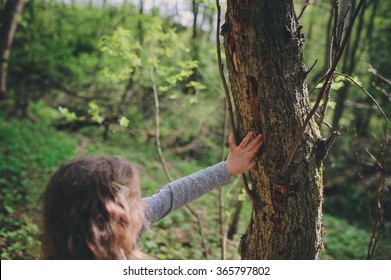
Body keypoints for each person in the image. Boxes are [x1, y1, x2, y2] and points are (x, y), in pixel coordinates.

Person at [41, 132, 263, 259]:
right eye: (134, 200)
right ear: (106, 222)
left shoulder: (128, 221)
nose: (145, 206)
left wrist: (227, 168)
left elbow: (171, 195)